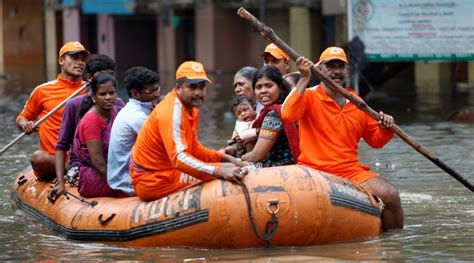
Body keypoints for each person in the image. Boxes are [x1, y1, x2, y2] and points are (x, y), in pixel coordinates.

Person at [281, 46, 403, 230]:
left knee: (391, 194)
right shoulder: (309, 96)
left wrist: (387, 128)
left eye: (341, 66)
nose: (336, 71)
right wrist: (304, 78)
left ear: (347, 70)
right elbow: (287, 114)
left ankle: (392, 243)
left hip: (350, 171)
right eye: (331, 66)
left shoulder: (357, 103)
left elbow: (376, 141)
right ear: (319, 69)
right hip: (314, 170)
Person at [130, 61, 246, 201]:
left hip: (166, 171)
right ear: (178, 88)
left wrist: (224, 158)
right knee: (218, 176)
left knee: (223, 168)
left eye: (202, 87)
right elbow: (180, 158)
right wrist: (218, 170)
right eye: (192, 87)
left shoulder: (191, 107)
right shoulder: (172, 112)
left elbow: (193, 147)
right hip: (152, 180)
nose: (198, 93)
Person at [49, 54, 122, 200]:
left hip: (113, 162)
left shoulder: (119, 104)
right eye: (102, 75)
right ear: (89, 78)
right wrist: (60, 181)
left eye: (111, 75)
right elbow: (62, 145)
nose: (107, 80)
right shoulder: (74, 105)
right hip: (82, 166)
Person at [16, 41, 90, 180]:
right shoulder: (42, 90)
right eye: (75, 58)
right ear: (61, 60)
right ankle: (68, 170)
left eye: (83, 59)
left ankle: (77, 169)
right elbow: (22, 117)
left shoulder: (91, 90)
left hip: (84, 157)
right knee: (38, 158)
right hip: (52, 160)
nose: (80, 63)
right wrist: (25, 125)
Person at [107, 67, 161, 197]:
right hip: (125, 182)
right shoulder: (137, 117)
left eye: (157, 88)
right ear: (135, 94)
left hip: (130, 174)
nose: (157, 94)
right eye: (151, 91)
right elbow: (163, 147)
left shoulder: (140, 109)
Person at [71, 73, 120, 197]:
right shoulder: (92, 121)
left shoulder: (114, 111)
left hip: (114, 170)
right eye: (103, 94)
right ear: (93, 96)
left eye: (111, 93)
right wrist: (119, 185)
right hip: (95, 176)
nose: (108, 97)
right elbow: (98, 163)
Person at [240, 66, 300, 167]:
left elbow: (257, 156)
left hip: (280, 166)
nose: (263, 91)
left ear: (280, 88)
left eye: (269, 86)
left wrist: (240, 158)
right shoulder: (284, 107)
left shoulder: (274, 114)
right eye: (258, 87)